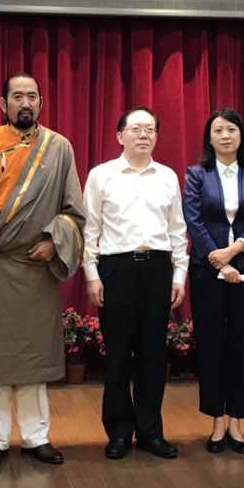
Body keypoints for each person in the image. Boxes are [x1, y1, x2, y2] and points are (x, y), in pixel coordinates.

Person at [0, 73, 85, 470]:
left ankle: (35, 437)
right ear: (3, 103)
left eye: (32, 96)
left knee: (34, 358)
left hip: (36, 267)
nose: (25, 102)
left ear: (41, 102)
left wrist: (54, 242)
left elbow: (74, 210)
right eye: (17, 96)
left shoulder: (59, 147)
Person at [83, 107, 188, 460]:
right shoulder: (101, 176)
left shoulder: (167, 176)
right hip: (117, 269)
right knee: (117, 355)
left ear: (156, 136)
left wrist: (179, 275)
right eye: (136, 129)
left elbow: (177, 230)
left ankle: (150, 432)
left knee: (153, 355)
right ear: (120, 136)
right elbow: (90, 229)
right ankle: (117, 432)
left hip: (157, 268)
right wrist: (92, 274)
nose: (143, 135)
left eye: (150, 130)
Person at [183, 108, 244, 454]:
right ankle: (216, 421)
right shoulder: (196, 175)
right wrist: (218, 259)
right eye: (218, 130)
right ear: (209, 137)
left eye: (231, 129)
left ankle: (236, 421)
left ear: (241, 135)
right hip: (207, 270)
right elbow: (193, 220)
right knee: (210, 343)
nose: (225, 136)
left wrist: (234, 251)